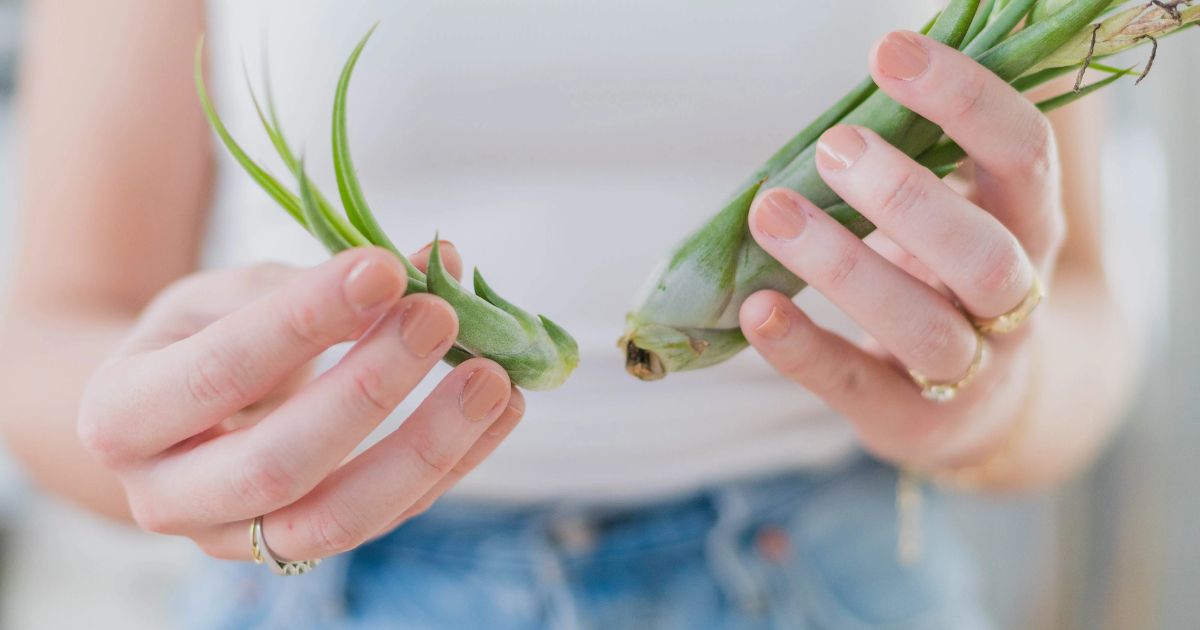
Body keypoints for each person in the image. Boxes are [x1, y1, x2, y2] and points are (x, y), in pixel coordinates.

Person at [0, 1, 1142, 628]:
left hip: (827, 580)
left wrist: (993, 399)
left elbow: (1089, 314)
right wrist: (191, 446)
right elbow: (55, 331)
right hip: (335, 592)